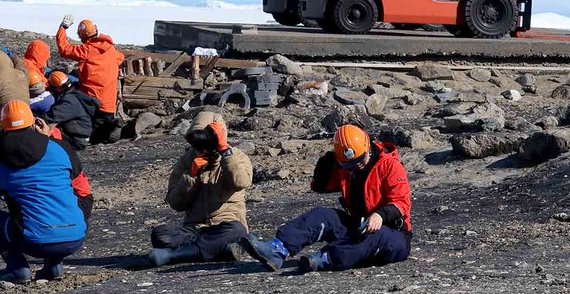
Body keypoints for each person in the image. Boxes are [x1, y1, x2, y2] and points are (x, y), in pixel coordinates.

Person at [243, 124, 412, 273]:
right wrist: (327, 163)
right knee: (322, 216)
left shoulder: (390, 166)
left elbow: (401, 203)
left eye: (360, 160)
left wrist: (380, 215)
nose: (356, 167)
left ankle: (325, 259)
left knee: (371, 237)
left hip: (393, 235)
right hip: (358, 225)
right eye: (349, 165)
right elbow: (320, 186)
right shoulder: (347, 168)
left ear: (368, 147)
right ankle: (277, 249)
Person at [0, 101, 87, 283]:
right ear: (33, 122)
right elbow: (75, 173)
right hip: (75, 237)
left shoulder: (1, 159)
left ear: (4, 127)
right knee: (54, 202)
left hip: (34, 241)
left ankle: (18, 268)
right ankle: (53, 266)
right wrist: (48, 138)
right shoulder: (60, 147)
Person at [148, 111, 252, 267]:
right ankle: (219, 250)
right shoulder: (186, 161)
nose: (204, 148)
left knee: (237, 231)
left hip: (225, 225)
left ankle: (175, 255)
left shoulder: (237, 157)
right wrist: (191, 176)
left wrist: (225, 152)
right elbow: (175, 204)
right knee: (160, 234)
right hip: (194, 229)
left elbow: (241, 182)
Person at [56, 15, 125, 144]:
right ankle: (112, 127)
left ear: (83, 36)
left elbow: (64, 49)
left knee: (69, 99)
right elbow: (120, 58)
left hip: (92, 100)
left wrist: (63, 28)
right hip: (109, 102)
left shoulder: (87, 50)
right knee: (102, 125)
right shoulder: (111, 50)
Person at [45, 71, 98, 150]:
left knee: (46, 133)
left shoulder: (68, 102)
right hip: (77, 134)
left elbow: (51, 117)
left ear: (58, 89)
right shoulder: (75, 93)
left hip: (76, 141)